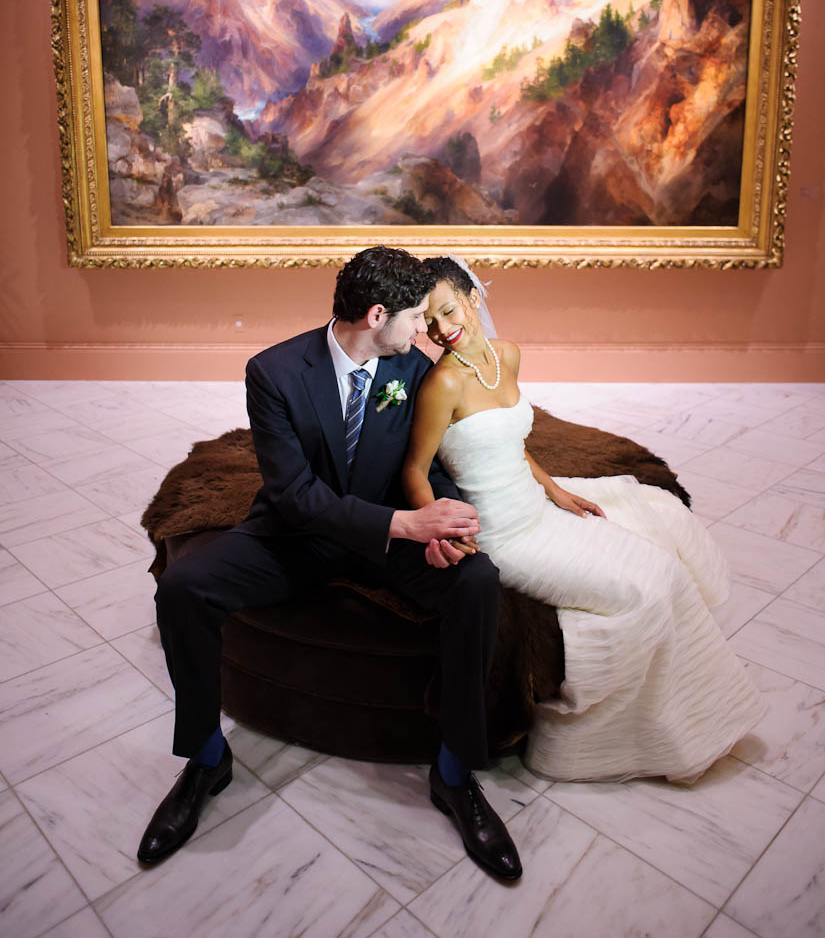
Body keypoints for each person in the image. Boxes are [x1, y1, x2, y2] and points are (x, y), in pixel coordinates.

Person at [137, 246, 522, 880]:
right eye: (415, 318)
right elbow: (294, 495)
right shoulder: (274, 373)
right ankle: (206, 758)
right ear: (377, 315)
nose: (425, 331)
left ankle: (454, 773)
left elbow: (427, 464)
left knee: (477, 581)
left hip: (389, 540)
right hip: (295, 536)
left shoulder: (417, 369)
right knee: (183, 588)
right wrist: (404, 522)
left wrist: (440, 520)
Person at [402, 256, 765, 784]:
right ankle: (592, 742)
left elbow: (511, 443)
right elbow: (415, 467)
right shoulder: (443, 386)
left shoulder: (508, 355)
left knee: (663, 559)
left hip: (535, 506)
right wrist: (436, 524)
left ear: (474, 298)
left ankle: (688, 714)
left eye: (448, 310)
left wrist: (555, 490)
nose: (439, 330)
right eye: (428, 322)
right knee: (647, 590)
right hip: (504, 535)